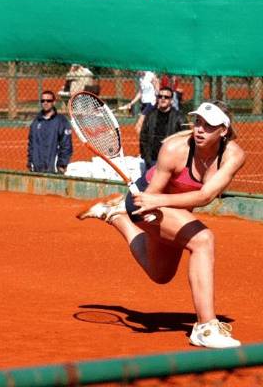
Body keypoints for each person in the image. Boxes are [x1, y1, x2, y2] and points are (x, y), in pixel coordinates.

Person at [76, 101, 246, 349]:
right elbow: (151, 196)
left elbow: (205, 196)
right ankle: (206, 328)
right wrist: (152, 206)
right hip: (143, 201)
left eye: (209, 126)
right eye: (198, 122)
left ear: (223, 130)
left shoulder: (234, 155)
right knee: (203, 239)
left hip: (170, 205)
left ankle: (114, 215)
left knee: (161, 274)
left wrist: (160, 202)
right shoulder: (174, 148)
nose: (200, 129)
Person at [139, 86, 186, 170]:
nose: (163, 99)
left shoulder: (179, 117)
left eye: (166, 97)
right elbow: (143, 136)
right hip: (152, 160)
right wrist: (146, 157)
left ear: (171, 100)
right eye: (160, 96)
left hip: (171, 160)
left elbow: (185, 139)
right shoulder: (150, 115)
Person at [27, 90, 73, 173]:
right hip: (37, 167)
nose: (45, 103)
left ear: (54, 102)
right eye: (43, 101)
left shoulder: (61, 121)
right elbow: (31, 145)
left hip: (54, 168)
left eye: (48, 100)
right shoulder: (36, 122)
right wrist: (30, 162)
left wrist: (62, 163)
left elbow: (66, 145)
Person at [119, 70, 159, 135]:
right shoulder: (140, 78)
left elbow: (157, 88)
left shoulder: (150, 75)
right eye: (136, 71)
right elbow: (140, 92)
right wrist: (131, 103)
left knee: (138, 125)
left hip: (151, 103)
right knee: (148, 124)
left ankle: (144, 139)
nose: (137, 72)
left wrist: (157, 99)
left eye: (138, 70)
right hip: (144, 103)